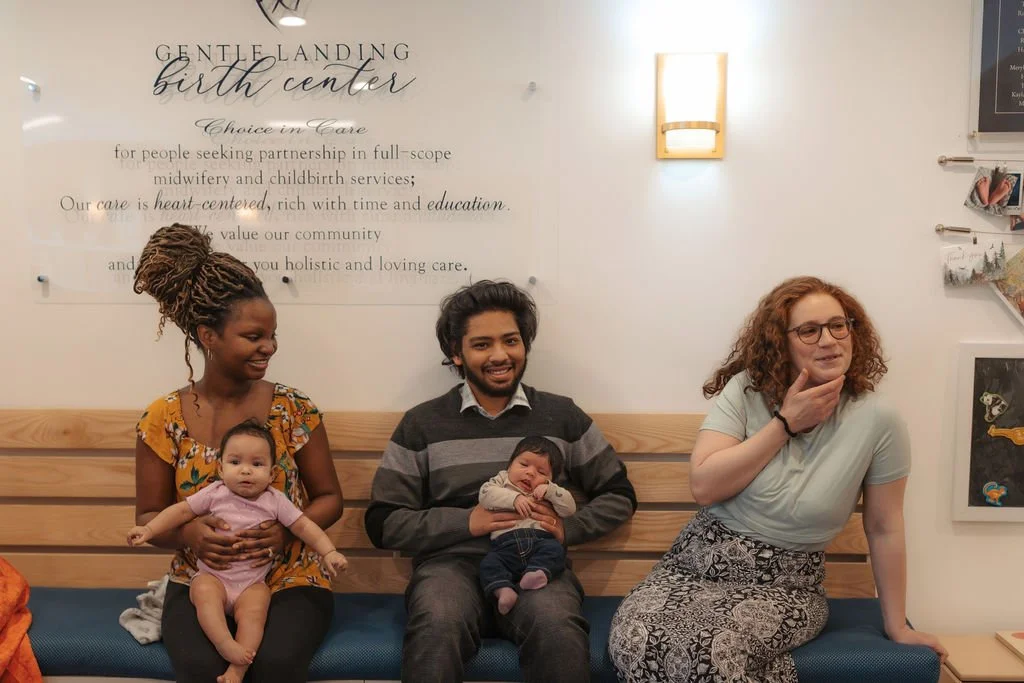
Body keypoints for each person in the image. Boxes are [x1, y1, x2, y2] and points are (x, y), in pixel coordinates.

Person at [608, 276, 947, 683]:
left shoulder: (878, 419)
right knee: (635, 636)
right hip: (693, 566)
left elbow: (884, 525)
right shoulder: (746, 391)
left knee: (711, 648)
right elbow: (704, 486)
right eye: (809, 330)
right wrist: (785, 424)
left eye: (839, 325)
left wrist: (898, 627)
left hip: (786, 586)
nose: (829, 340)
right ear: (780, 342)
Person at [365, 279, 637, 683]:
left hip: (539, 564)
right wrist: (466, 523)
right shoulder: (421, 423)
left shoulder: (562, 416)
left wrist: (565, 528)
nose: (500, 355)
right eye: (481, 345)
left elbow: (619, 495)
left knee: (557, 628)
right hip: (449, 567)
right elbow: (383, 522)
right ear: (456, 354)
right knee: (438, 622)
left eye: (511, 340)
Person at [132, 223, 344, 683]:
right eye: (253, 336)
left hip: (291, 577)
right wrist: (190, 534)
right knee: (199, 668)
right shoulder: (162, 418)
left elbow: (329, 497)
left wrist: (285, 536)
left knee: (274, 664)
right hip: (200, 578)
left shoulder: (294, 409)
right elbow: (150, 513)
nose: (269, 347)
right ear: (208, 336)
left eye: (272, 334)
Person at [128, 419, 348, 683]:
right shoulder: (215, 493)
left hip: (252, 582)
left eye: (257, 464)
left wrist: (329, 552)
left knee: (255, 613)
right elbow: (181, 511)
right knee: (204, 594)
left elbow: (305, 527)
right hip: (214, 576)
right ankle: (224, 643)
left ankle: (238, 669)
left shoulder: (275, 501)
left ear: (272, 472)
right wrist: (149, 530)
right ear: (220, 468)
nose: (246, 471)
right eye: (235, 463)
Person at [478, 435, 577, 615]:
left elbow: (569, 509)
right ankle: (504, 591)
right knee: (488, 564)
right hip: (504, 546)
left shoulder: (550, 490)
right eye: (524, 465)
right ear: (510, 466)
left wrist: (551, 490)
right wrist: (513, 498)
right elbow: (485, 495)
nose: (531, 473)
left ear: (551, 478)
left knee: (556, 551)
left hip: (540, 541)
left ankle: (537, 573)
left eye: (542, 472)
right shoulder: (501, 480)